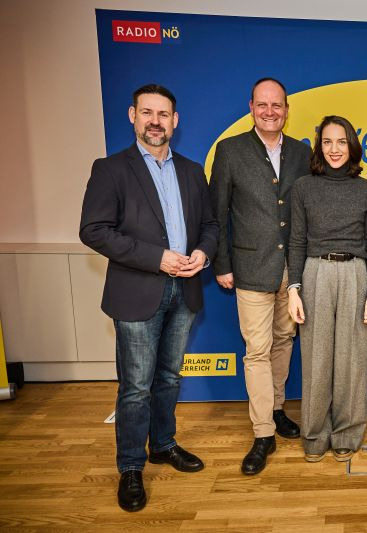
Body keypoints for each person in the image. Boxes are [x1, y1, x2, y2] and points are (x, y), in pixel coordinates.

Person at [79, 84, 218, 512]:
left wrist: (203, 252)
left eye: (163, 114)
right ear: (133, 116)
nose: (155, 121)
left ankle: (162, 444)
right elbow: (94, 230)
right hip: (137, 292)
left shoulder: (192, 171)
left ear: (175, 121)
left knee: (169, 378)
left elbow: (210, 225)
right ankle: (130, 467)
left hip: (185, 290)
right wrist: (157, 259)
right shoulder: (111, 169)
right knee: (136, 387)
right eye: (147, 113)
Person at [209, 77, 311, 475]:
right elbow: (217, 213)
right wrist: (221, 264)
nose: (270, 112)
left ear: (286, 110)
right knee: (256, 350)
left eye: (277, 105)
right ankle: (263, 432)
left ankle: (277, 408)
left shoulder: (302, 152)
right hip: (250, 268)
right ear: (251, 107)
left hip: (293, 270)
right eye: (263, 105)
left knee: (284, 341)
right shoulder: (230, 150)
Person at [286, 115, 367, 462]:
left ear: (351, 145)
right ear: (319, 147)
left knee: (352, 359)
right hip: (316, 273)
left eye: (341, 142)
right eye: (327, 142)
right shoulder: (303, 187)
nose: (334, 149)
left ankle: (346, 434)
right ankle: (314, 435)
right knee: (316, 358)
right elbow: (296, 241)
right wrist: (294, 289)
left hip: (356, 273)